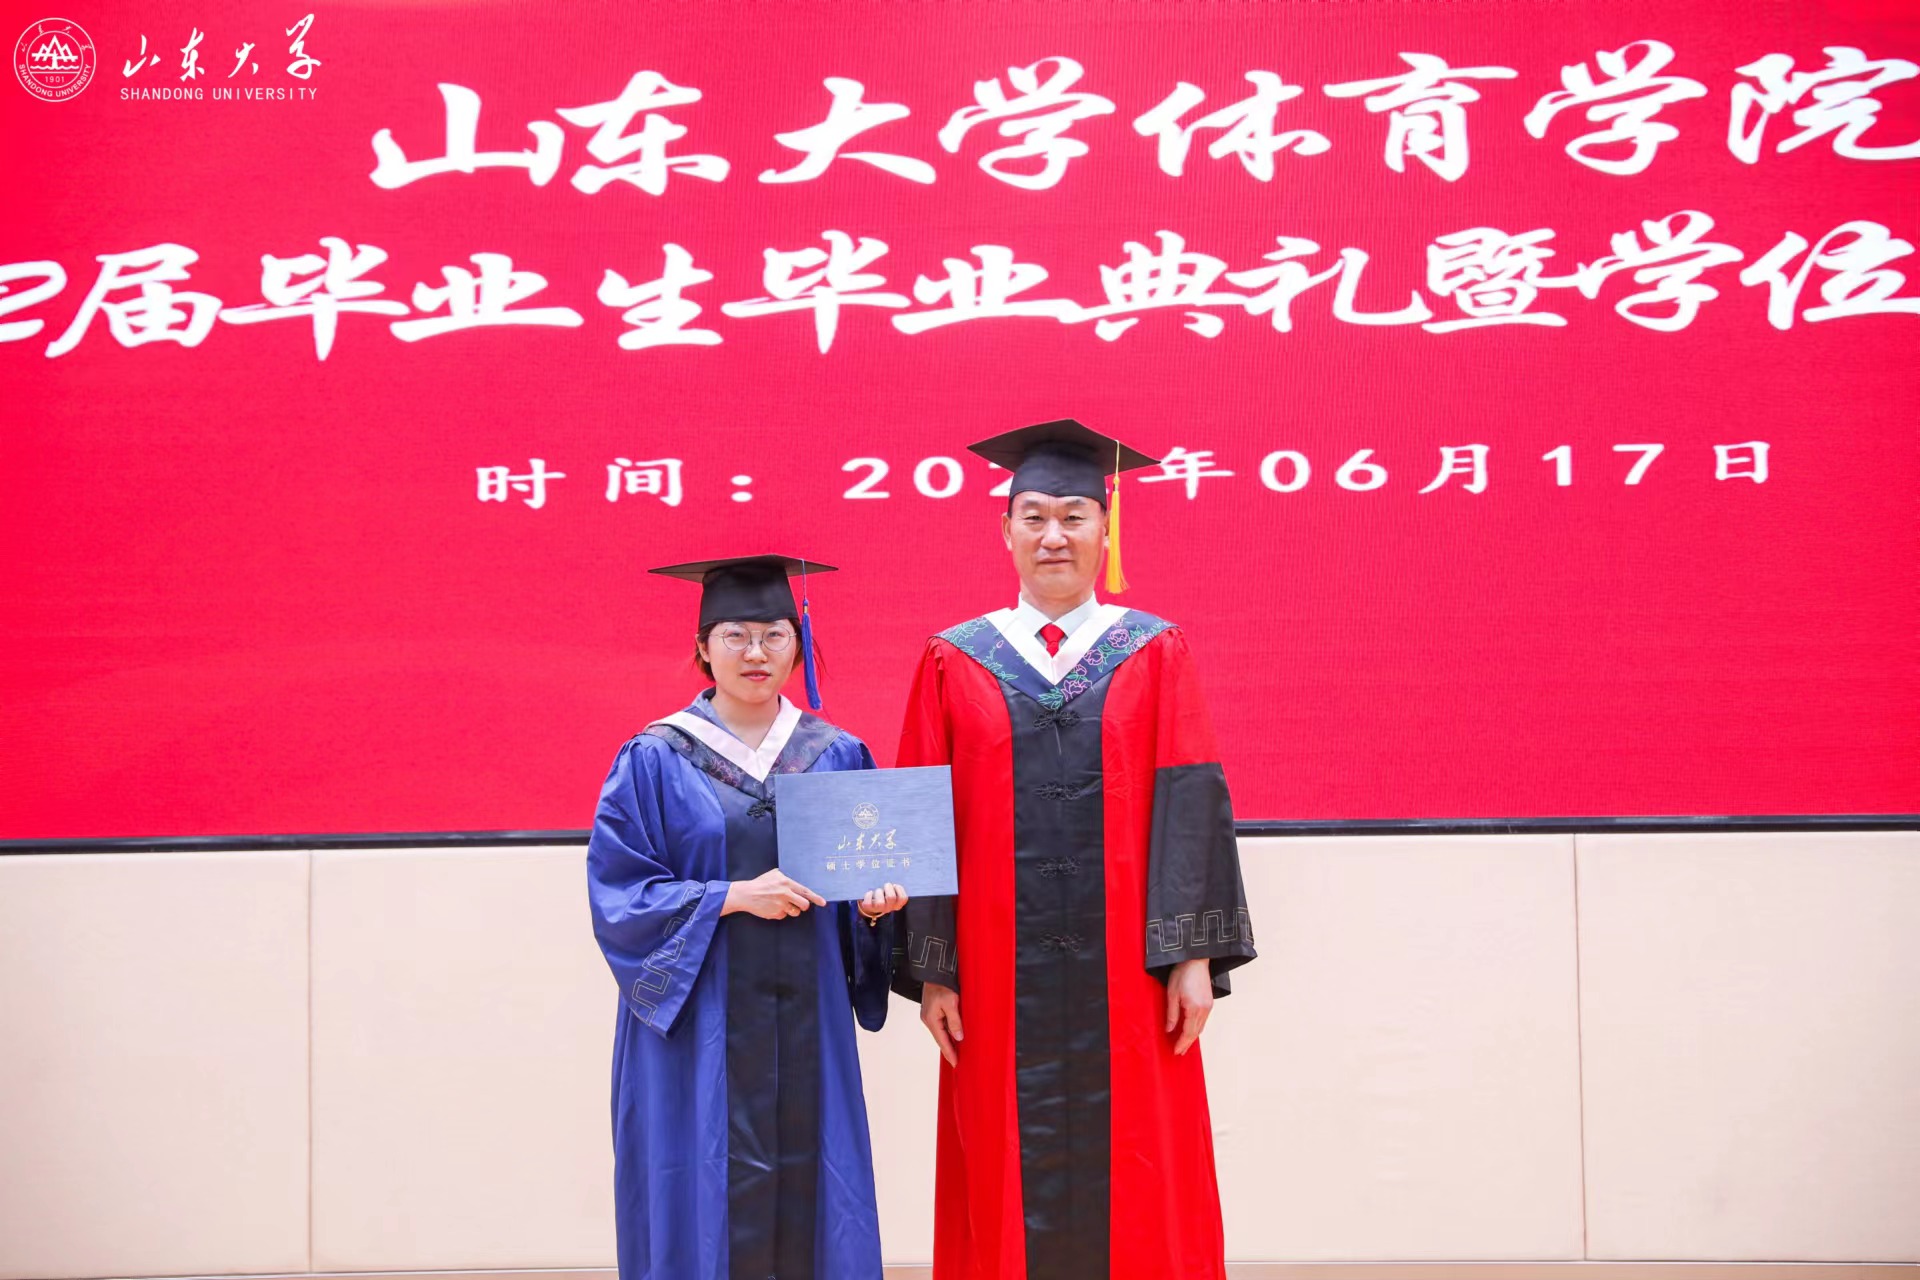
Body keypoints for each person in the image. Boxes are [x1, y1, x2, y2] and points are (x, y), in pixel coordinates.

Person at [892, 420, 1256, 1280]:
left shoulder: (1155, 650)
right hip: (994, 967)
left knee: (1142, 1160)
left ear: (1105, 527)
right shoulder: (954, 658)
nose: (1053, 535)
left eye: (1073, 516)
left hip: (1128, 969)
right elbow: (920, 813)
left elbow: (1190, 800)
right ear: (1006, 531)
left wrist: (1193, 956)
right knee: (996, 1157)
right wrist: (935, 966)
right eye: (1034, 517)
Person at [586, 554, 908, 1280]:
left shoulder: (836, 755)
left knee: (816, 1178)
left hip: (806, 1016)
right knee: (699, 1177)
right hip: (699, 1024)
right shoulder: (655, 757)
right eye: (735, 635)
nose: (755, 652)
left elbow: (861, 886)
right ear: (703, 647)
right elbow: (619, 894)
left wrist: (874, 911)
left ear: (799, 646)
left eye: (774, 635)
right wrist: (730, 896)